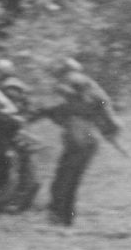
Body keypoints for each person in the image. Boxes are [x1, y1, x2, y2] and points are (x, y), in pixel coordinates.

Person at [34, 58, 122, 226]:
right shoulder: (91, 85)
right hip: (90, 137)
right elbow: (101, 107)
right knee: (73, 180)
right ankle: (67, 219)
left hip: (77, 135)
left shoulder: (68, 83)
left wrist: (44, 112)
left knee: (62, 179)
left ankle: (58, 219)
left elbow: (67, 107)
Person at [0, 60, 41, 211]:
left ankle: (20, 201)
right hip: (16, 126)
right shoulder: (10, 84)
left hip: (15, 127)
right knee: (19, 162)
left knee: (20, 162)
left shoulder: (10, 86)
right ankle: (17, 200)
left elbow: (11, 109)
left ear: (3, 72)